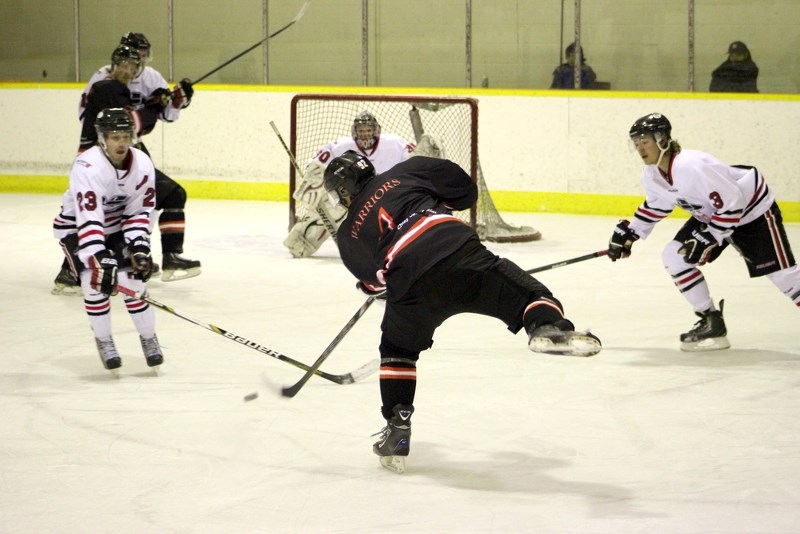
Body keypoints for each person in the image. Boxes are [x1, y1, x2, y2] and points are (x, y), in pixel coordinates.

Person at [323, 151, 602, 474]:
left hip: (409, 283)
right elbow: (465, 190)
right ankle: (548, 327)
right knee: (531, 295)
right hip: (458, 252)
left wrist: (369, 287)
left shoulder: (348, 236)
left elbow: (375, 284)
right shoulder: (407, 171)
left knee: (397, 351)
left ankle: (397, 428)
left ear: (344, 191)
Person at [607, 113, 799, 351]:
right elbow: (658, 204)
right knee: (674, 257)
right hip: (714, 215)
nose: (640, 149)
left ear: (662, 139)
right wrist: (631, 232)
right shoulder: (652, 174)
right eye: (636, 144)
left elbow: (733, 202)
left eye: (645, 141)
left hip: (752, 213)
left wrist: (709, 236)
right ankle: (711, 321)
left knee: (784, 277)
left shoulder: (691, 166)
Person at [53, 33, 200, 295]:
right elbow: (130, 124)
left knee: (149, 200)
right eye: (125, 65)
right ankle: (72, 269)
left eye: (133, 66)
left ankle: (152, 256)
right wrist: (153, 107)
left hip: (121, 155)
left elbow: (154, 116)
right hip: (100, 159)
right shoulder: (107, 86)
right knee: (97, 213)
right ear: (114, 64)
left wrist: (175, 100)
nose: (129, 70)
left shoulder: (127, 84)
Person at [53, 108, 163, 374]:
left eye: (126, 136)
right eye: (115, 137)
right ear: (102, 139)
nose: (122, 143)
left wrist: (139, 247)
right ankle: (104, 340)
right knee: (95, 282)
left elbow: (138, 212)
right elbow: (88, 218)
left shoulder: (143, 164)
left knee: (133, 280)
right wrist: (98, 256)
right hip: (77, 229)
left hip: (114, 227)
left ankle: (149, 337)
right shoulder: (87, 166)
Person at [284, 112, 442, 258]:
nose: (364, 134)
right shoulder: (340, 145)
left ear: (376, 131)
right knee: (328, 205)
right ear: (354, 131)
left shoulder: (395, 143)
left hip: (387, 199)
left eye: (368, 130)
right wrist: (313, 181)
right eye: (361, 130)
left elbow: (413, 163)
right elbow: (317, 163)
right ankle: (303, 241)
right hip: (353, 201)